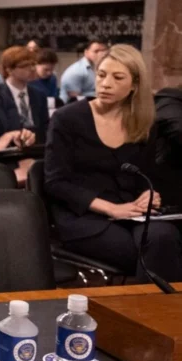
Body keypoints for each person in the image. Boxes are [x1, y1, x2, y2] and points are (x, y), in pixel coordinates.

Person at [45, 44, 182, 283]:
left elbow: (145, 175)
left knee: (164, 238)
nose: (105, 83)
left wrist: (149, 195)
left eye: (117, 77)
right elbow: (55, 182)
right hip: (83, 217)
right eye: (101, 75)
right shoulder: (67, 118)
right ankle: (146, 315)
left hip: (130, 212)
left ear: (134, 86)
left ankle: (154, 315)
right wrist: (111, 209)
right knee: (152, 254)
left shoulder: (144, 122)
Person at [0, 46, 49, 143]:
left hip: (37, 147)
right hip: (9, 148)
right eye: (25, 66)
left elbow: (45, 127)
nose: (32, 69)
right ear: (9, 70)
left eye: (33, 64)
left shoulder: (39, 95)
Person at [60, 37, 107, 103]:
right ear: (86, 52)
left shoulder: (99, 68)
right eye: (96, 51)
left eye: (104, 51)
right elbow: (74, 99)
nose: (101, 54)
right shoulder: (76, 71)